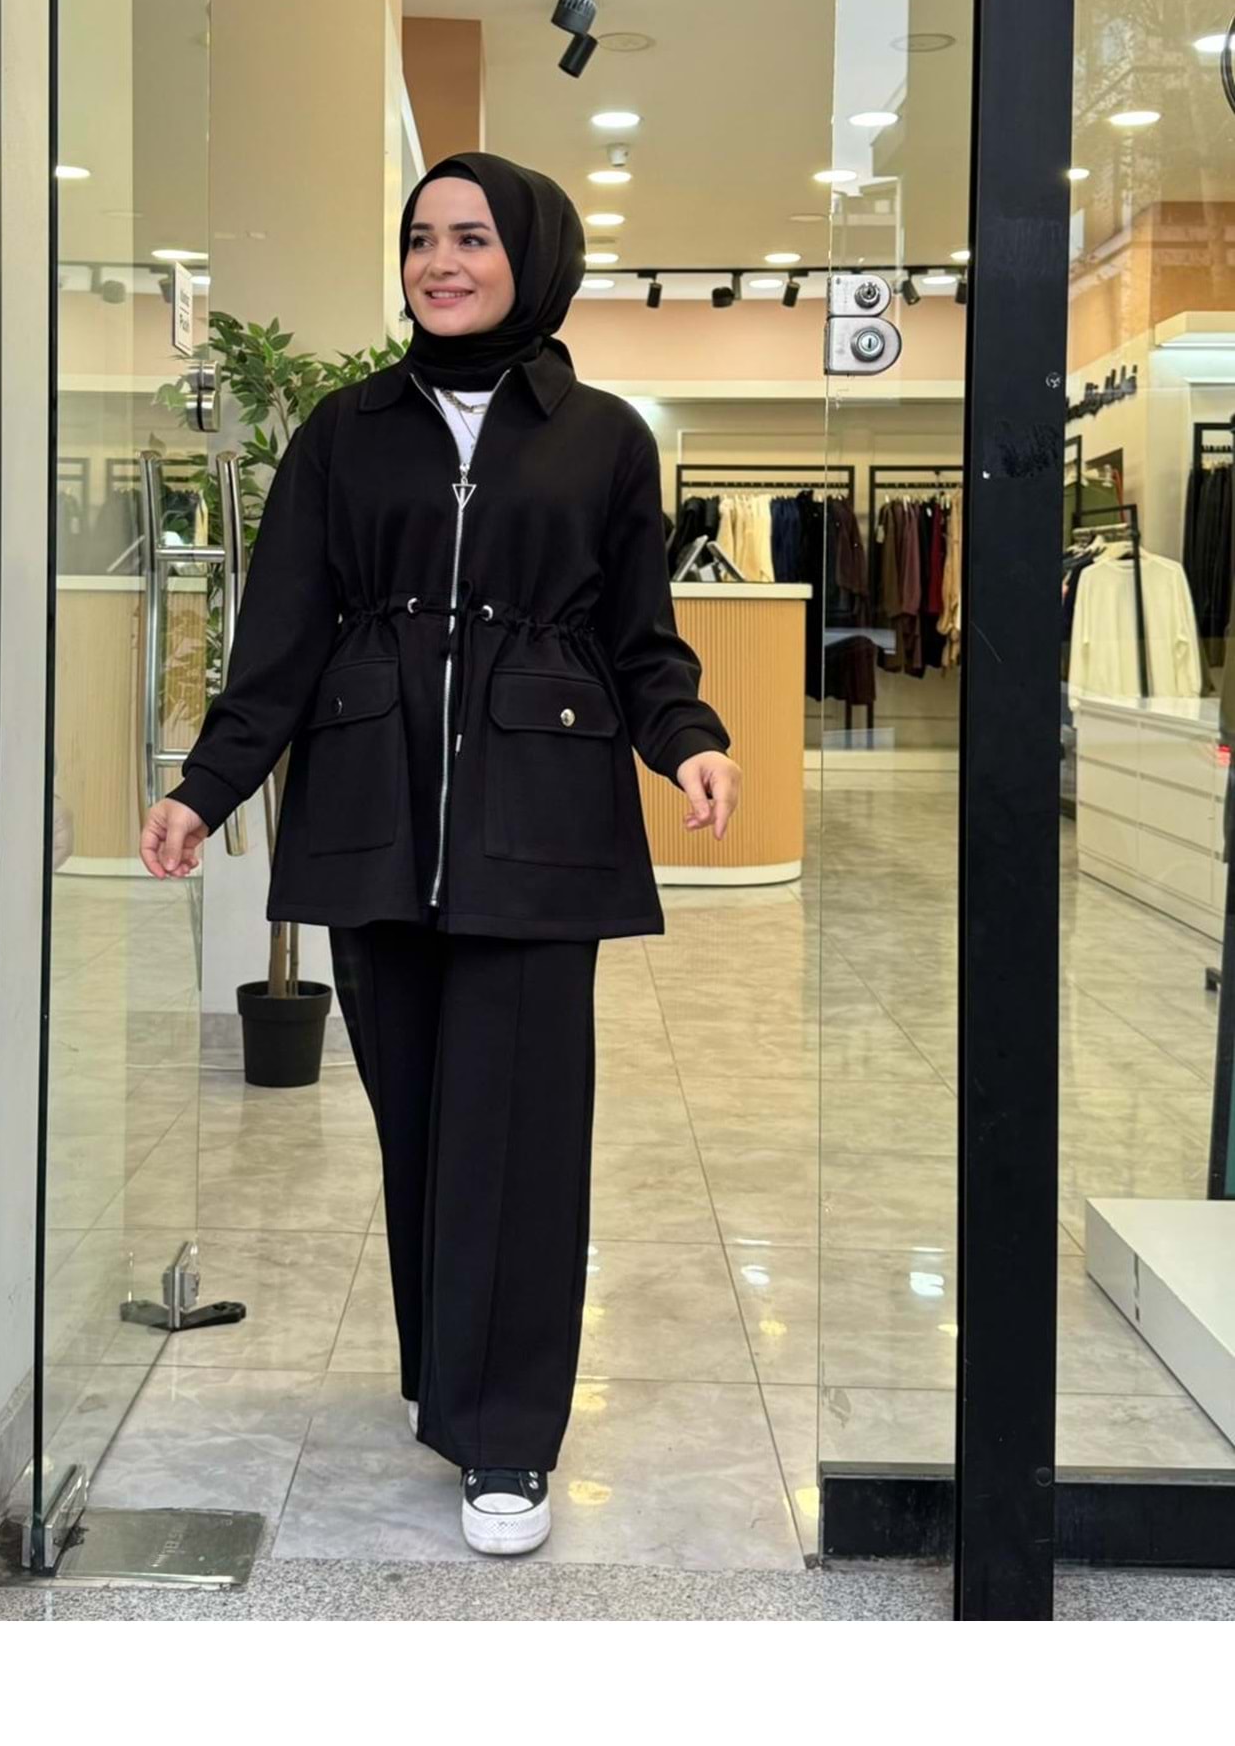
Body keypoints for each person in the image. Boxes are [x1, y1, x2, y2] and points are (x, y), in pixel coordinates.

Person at [140, 152, 740, 1556]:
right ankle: (446, 1373)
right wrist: (208, 786)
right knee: (418, 1122)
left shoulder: (603, 438)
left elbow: (639, 635)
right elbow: (280, 635)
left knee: (519, 1132)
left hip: (541, 821)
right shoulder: (345, 431)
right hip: (374, 814)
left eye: (471, 237)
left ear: (532, 255)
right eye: (421, 238)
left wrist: (687, 737)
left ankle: (507, 1432)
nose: (440, 262)